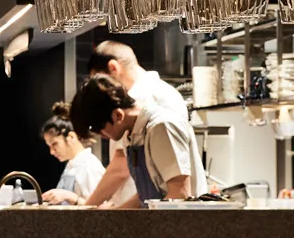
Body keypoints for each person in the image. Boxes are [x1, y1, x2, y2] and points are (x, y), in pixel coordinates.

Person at [69, 73, 207, 206]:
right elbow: (146, 197)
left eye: (99, 129)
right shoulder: (130, 134)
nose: (102, 136)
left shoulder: (161, 127)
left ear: (118, 115)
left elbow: (180, 194)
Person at [81, 40, 190, 208]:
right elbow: (152, 190)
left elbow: (179, 193)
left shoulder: (155, 108)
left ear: (113, 67)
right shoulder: (131, 123)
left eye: (101, 80)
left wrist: (86, 210)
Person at [40, 102, 104, 204]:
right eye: (49, 146)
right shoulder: (71, 165)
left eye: (55, 144)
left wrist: (70, 197)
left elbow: (99, 210)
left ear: (71, 137)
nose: (52, 152)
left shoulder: (90, 167)